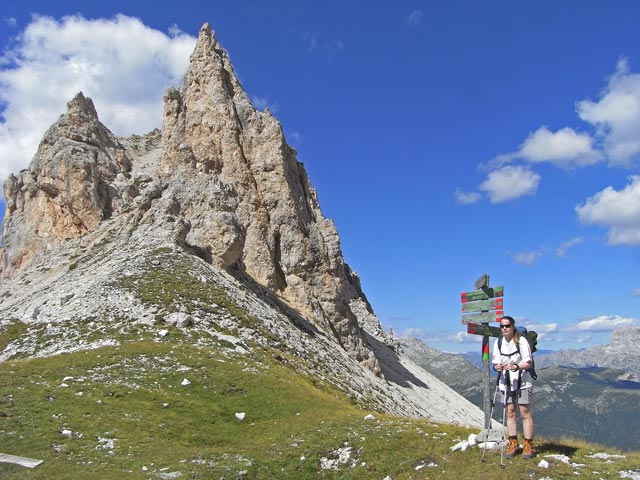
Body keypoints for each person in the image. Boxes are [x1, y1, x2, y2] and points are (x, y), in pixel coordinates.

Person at [492, 315, 535, 459]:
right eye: (502, 326)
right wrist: (497, 366)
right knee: (510, 412)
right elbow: (495, 361)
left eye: (507, 325)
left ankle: (528, 445)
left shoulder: (521, 341)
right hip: (505, 381)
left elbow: (528, 362)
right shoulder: (498, 342)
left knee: (524, 412)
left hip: (522, 381)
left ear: (513, 326)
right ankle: (513, 442)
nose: (505, 328)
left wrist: (515, 366)